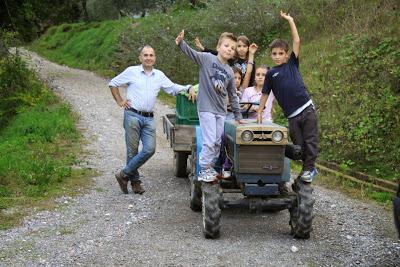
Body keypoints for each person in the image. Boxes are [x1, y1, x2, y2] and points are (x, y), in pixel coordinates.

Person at [109, 45, 196, 194]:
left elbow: (173, 88)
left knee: (150, 149)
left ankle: (123, 174)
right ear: (140, 58)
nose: (148, 58)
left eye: (151, 55)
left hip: (149, 118)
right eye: (145, 55)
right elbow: (113, 83)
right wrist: (119, 101)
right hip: (132, 115)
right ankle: (135, 183)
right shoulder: (132, 71)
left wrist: (188, 87)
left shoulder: (159, 75)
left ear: (154, 58)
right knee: (132, 151)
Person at [256, 11, 319, 183]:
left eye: (280, 53)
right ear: (271, 55)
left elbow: (297, 41)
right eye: (274, 54)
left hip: (306, 108)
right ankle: (309, 166)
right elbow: (265, 94)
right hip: (292, 116)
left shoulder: (292, 63)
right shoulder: (270, 74)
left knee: (310, 140)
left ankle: (309, 168)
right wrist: (260, 110)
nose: (277, 56)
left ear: (286, 54)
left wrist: (290, 20)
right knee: (299, 146)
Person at [176, 30, 242, 182]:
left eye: (232, 48)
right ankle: (204, 169)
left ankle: (210, 168)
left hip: (221, 111)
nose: (229, 49)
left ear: (233, 54)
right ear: (218, 47)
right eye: (226, 46)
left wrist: (238, 115)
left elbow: (232, 95)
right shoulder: (207, 58)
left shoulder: (230, 72)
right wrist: (181, 43)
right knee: (210, 140)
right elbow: (191, 53)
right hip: (206, 108)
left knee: (218, 142)